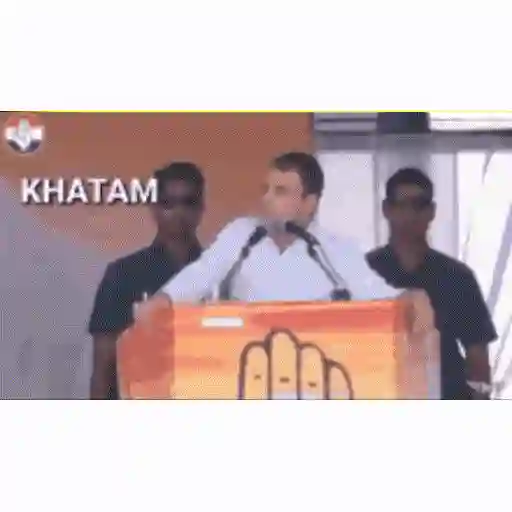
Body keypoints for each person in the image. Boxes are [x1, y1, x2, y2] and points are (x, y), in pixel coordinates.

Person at [135, 152, 423, 314]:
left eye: (280, 191)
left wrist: (412, 300)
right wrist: (163, 300)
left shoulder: (336, 249)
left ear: (309, 203)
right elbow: (201, 275)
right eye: (266, 189)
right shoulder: (241, 233)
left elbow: (375, 292)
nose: (267, 199)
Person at [366, 167, 498, 400]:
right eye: (401, 205)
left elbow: (477, 357)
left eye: (418, 205)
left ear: (432, 211)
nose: (410, 215)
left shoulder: (458, 277)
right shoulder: (364, 274)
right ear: (386, 209)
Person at [88, 162, 205, 399]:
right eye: (168, 203)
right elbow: (103, 367)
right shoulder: (123, 275)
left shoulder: (223, 275)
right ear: (154, 208)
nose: (179, 212)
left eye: (188, 202)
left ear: (201, 208)